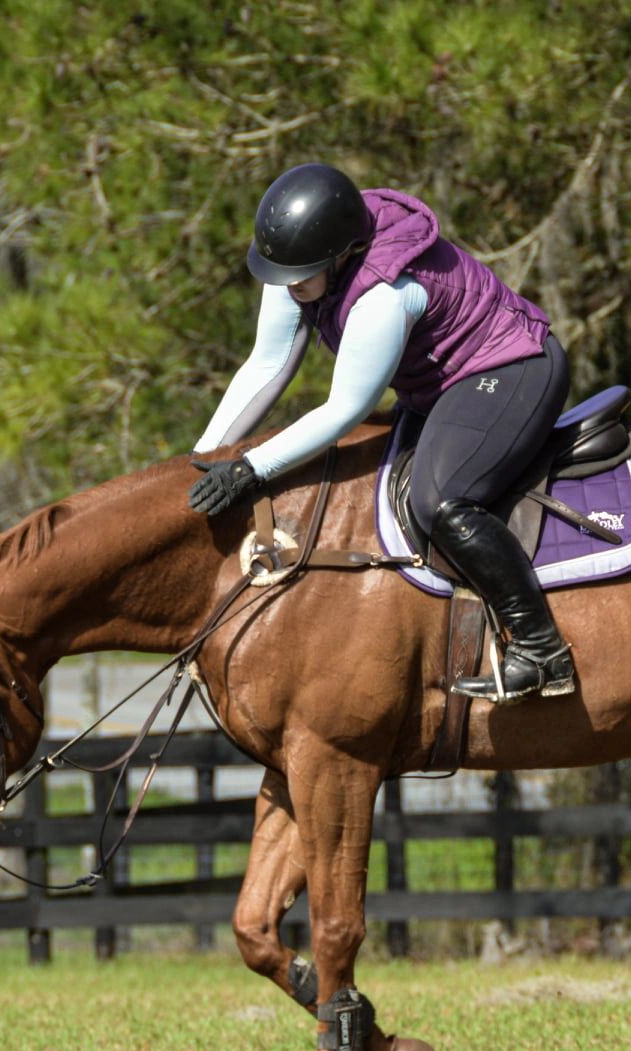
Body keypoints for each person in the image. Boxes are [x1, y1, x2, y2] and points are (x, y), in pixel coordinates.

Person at [185, 163, 576, 702]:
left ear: (340, 257)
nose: (286, 288)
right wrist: (204, 458)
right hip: (438, 384)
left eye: (299, 278)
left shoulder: (385, 295)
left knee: (442, 500)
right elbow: (267, 365)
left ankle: (540, 649)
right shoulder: (303, 261)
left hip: (513, 369)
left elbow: (344, 409)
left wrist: (250, 468)